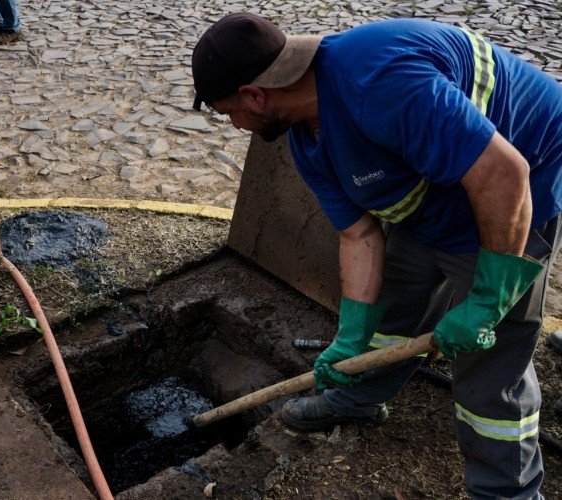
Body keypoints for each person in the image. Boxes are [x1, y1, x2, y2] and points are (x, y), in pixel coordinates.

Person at [191, 13, 562, 499]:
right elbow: (360, 236)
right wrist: (351, 336)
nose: (236, 125)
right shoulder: (308, 140)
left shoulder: (378, 82)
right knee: (393, 306)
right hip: (439, 186)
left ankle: (506, 491)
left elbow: (503, 174)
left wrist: (488, 300)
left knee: (488, 364)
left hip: (518, 181)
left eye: (229, 113)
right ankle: (361, 396)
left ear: (255, 95)